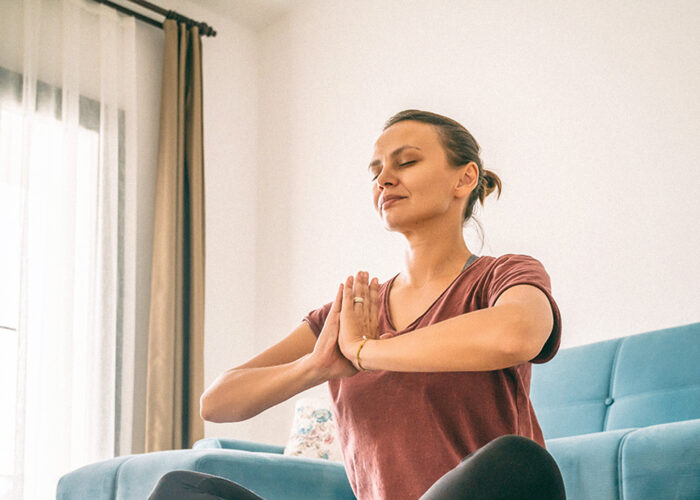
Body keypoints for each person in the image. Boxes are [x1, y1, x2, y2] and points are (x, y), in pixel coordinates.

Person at [150, 109, 567, 500]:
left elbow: (518, 334)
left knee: (518, 460)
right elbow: (216, 402)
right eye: (376, 171)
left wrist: (366, 352)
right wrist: (317, 365)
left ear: (465, 179)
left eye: (405, 163)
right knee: (184, 490)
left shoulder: (501, 276)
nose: (384, 179)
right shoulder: (348, 313)